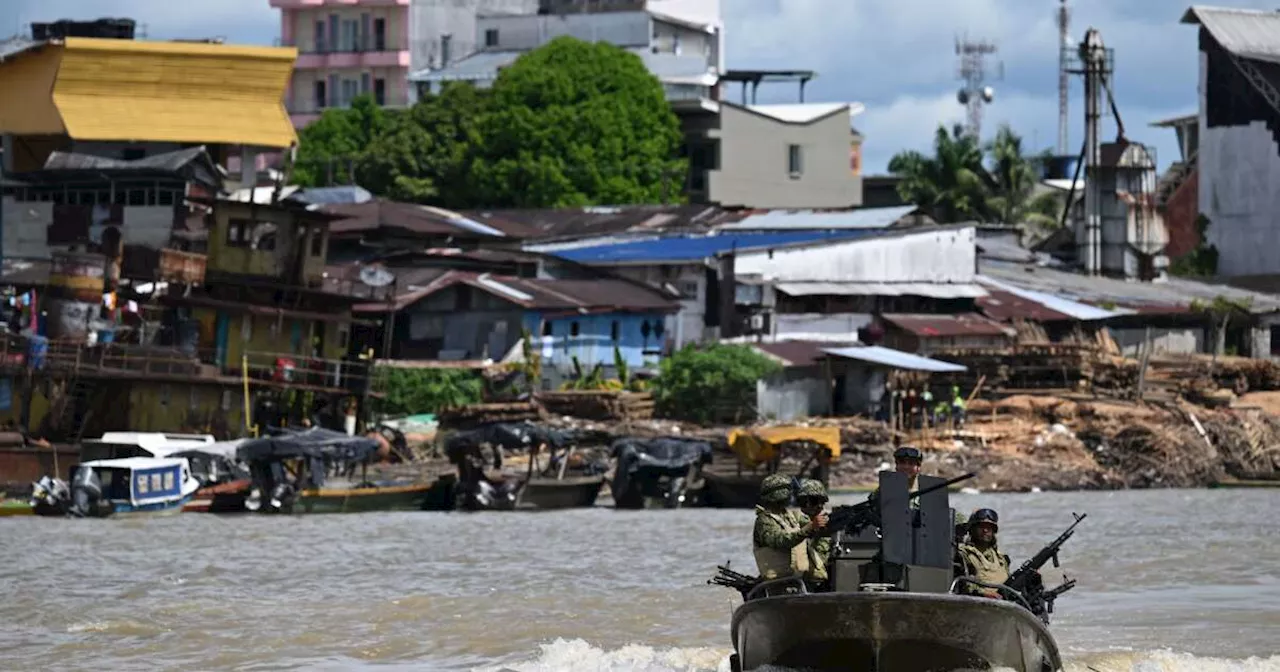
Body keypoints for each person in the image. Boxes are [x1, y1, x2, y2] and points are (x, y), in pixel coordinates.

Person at [753, 474, 827, 581]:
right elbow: (781, 540)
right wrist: (810, 527)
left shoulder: (791, 516)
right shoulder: (764, 521)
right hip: (778, 583)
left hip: (797, 578)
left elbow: (812, 524)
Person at [955, 508, 1011, 599]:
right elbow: (963, 585)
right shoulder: (964, 555)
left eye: (989, 527)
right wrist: (983, 593)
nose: (985, 530)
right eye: (981, 527)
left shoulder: (1002, 558)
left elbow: (1010, 584)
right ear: (973, 529)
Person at [796, 479, 833, 589]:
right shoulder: (795, 521)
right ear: (804, 502)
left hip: (825, 574)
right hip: (807, 577)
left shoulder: (826, 520)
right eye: (815, 501)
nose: (820, 506)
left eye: (822, 502)